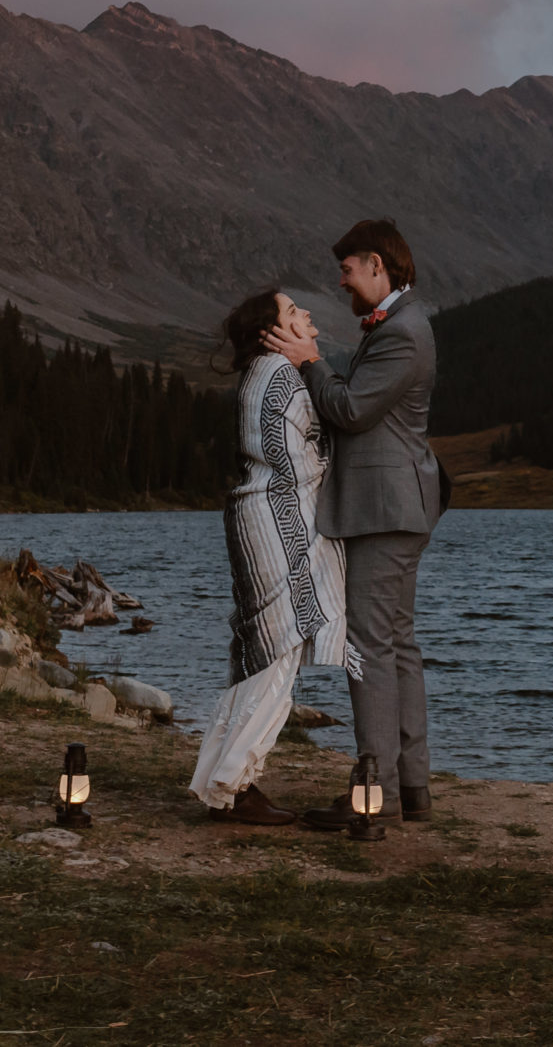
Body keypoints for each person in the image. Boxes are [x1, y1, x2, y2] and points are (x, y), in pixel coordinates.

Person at [261, 216, 440, 827]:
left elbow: (352, 409)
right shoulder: (400, 324)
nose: (339, 281)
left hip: (384, 510)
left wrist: (310, 361)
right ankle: (409, 789)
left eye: (346, 268)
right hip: (396, 506)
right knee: (398, 642)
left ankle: (377, 794)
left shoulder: (404, 332)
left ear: (376, 265)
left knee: (368, 645)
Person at [188, 287, 355, 825]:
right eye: (292, 311)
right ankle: (233, 786)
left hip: (264, 520)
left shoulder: (266, 374)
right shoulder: (278, 375)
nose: (306, 314)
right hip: (275, 522)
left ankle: (227, 783)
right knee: (275, 652)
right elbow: (290, 458)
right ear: (273, 332)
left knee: (266, 650)